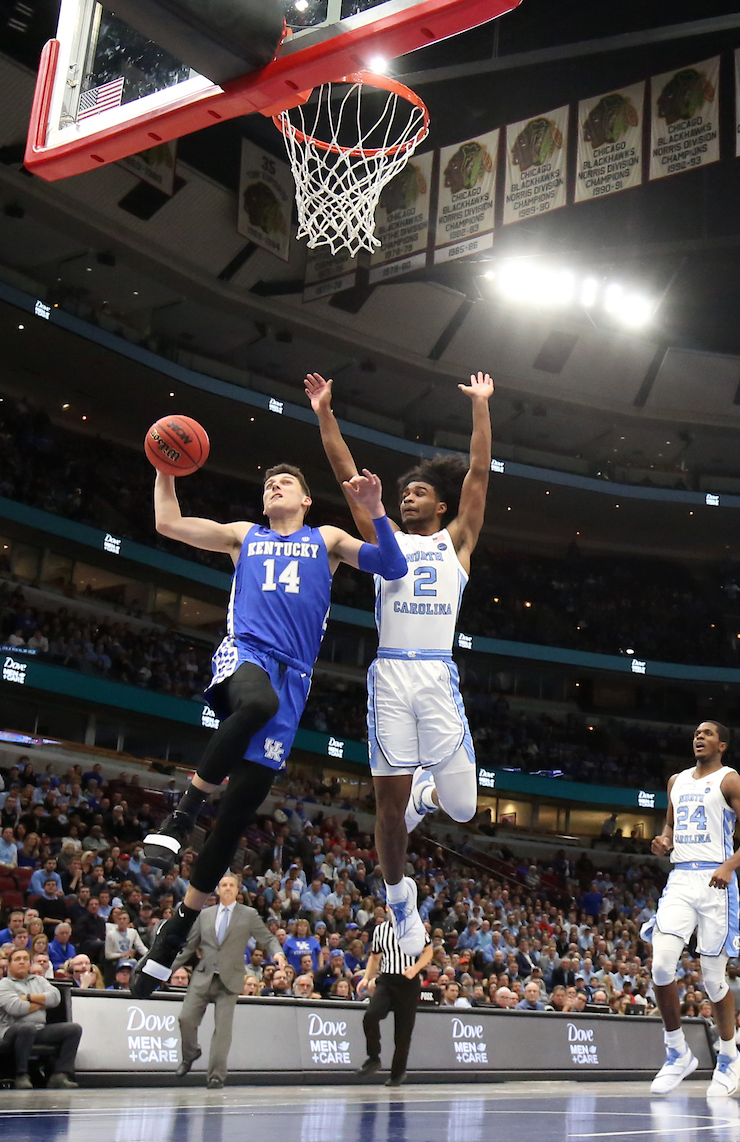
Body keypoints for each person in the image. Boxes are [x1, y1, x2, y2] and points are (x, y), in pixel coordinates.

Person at [133, 461, 406, 997]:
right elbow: (168, 522)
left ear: (306, 501)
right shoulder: (243, 536)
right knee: (254, 703)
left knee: (236, 818)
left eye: (285, 483)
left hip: (296, 677)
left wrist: (375, 510)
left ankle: (176, 930)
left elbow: (392, 567)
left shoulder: (327, 540)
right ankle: (182, 812)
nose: (273, 487)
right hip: (247, 654)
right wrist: (165, 470)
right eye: (267, 485)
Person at [306, 369, 494, 950]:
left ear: (440, 503)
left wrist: (481, 408)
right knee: (385, 807)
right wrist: (324, 413)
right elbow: (344, 475)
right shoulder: (383, 539)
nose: (407, 496)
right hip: (390, 673)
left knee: (463, 808)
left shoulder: (456, 540)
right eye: (403, 493)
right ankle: (399, 903)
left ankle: (427, 795)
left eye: (417, 492)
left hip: (438, 673)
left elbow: (480, 474)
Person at [647, 721, 740, 1097]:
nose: (700, 737)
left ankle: (730, 1057)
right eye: (697, 733)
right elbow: (669, 822)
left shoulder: (731, 781)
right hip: (681, 878)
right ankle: (677, 1051)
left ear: (723, 745)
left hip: (717, 883)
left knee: (714, 980)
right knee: (662, 965)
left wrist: (729, 866)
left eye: (708, 734)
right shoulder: (675, 781)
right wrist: (664, 840)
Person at [174, 872, 285, 1089]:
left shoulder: (249, 914)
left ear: (237, 890)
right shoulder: (205, 915)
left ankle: (216, 1076)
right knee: (185, 1019)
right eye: (223, 885)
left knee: (222, 1031)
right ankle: (190, 1053)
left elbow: (267, 938)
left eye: (231, 885)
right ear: (217, 889)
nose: (226, 888)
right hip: (203, 974)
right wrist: (166, 970)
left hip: (230, 978)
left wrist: (277, 953)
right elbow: (188, 947)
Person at [357, 914, 432, 1087]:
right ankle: (373, 1057)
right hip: (387, 979)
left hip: (408, 982)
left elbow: (428, 951)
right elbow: (375, 956)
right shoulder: (380, 929)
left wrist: (416, 968)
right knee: (371, 1015)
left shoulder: (415, 927)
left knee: (403, 1032)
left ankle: (397, 1074)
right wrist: (366, 977)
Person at [0, 948, 82, 1089]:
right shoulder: (4, 984)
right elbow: (17, 1009)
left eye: (25, 959)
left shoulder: (39, 980)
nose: (22, 962)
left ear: (30, 963)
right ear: (9, 965)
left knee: (73, 1029)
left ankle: (60, 1075)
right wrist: (43, 1003)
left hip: (38, 1029)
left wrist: (28, 998)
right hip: (9, 1030)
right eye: (17, 959)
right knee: (27, 1028)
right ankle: (21, 1075)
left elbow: (56, 998)